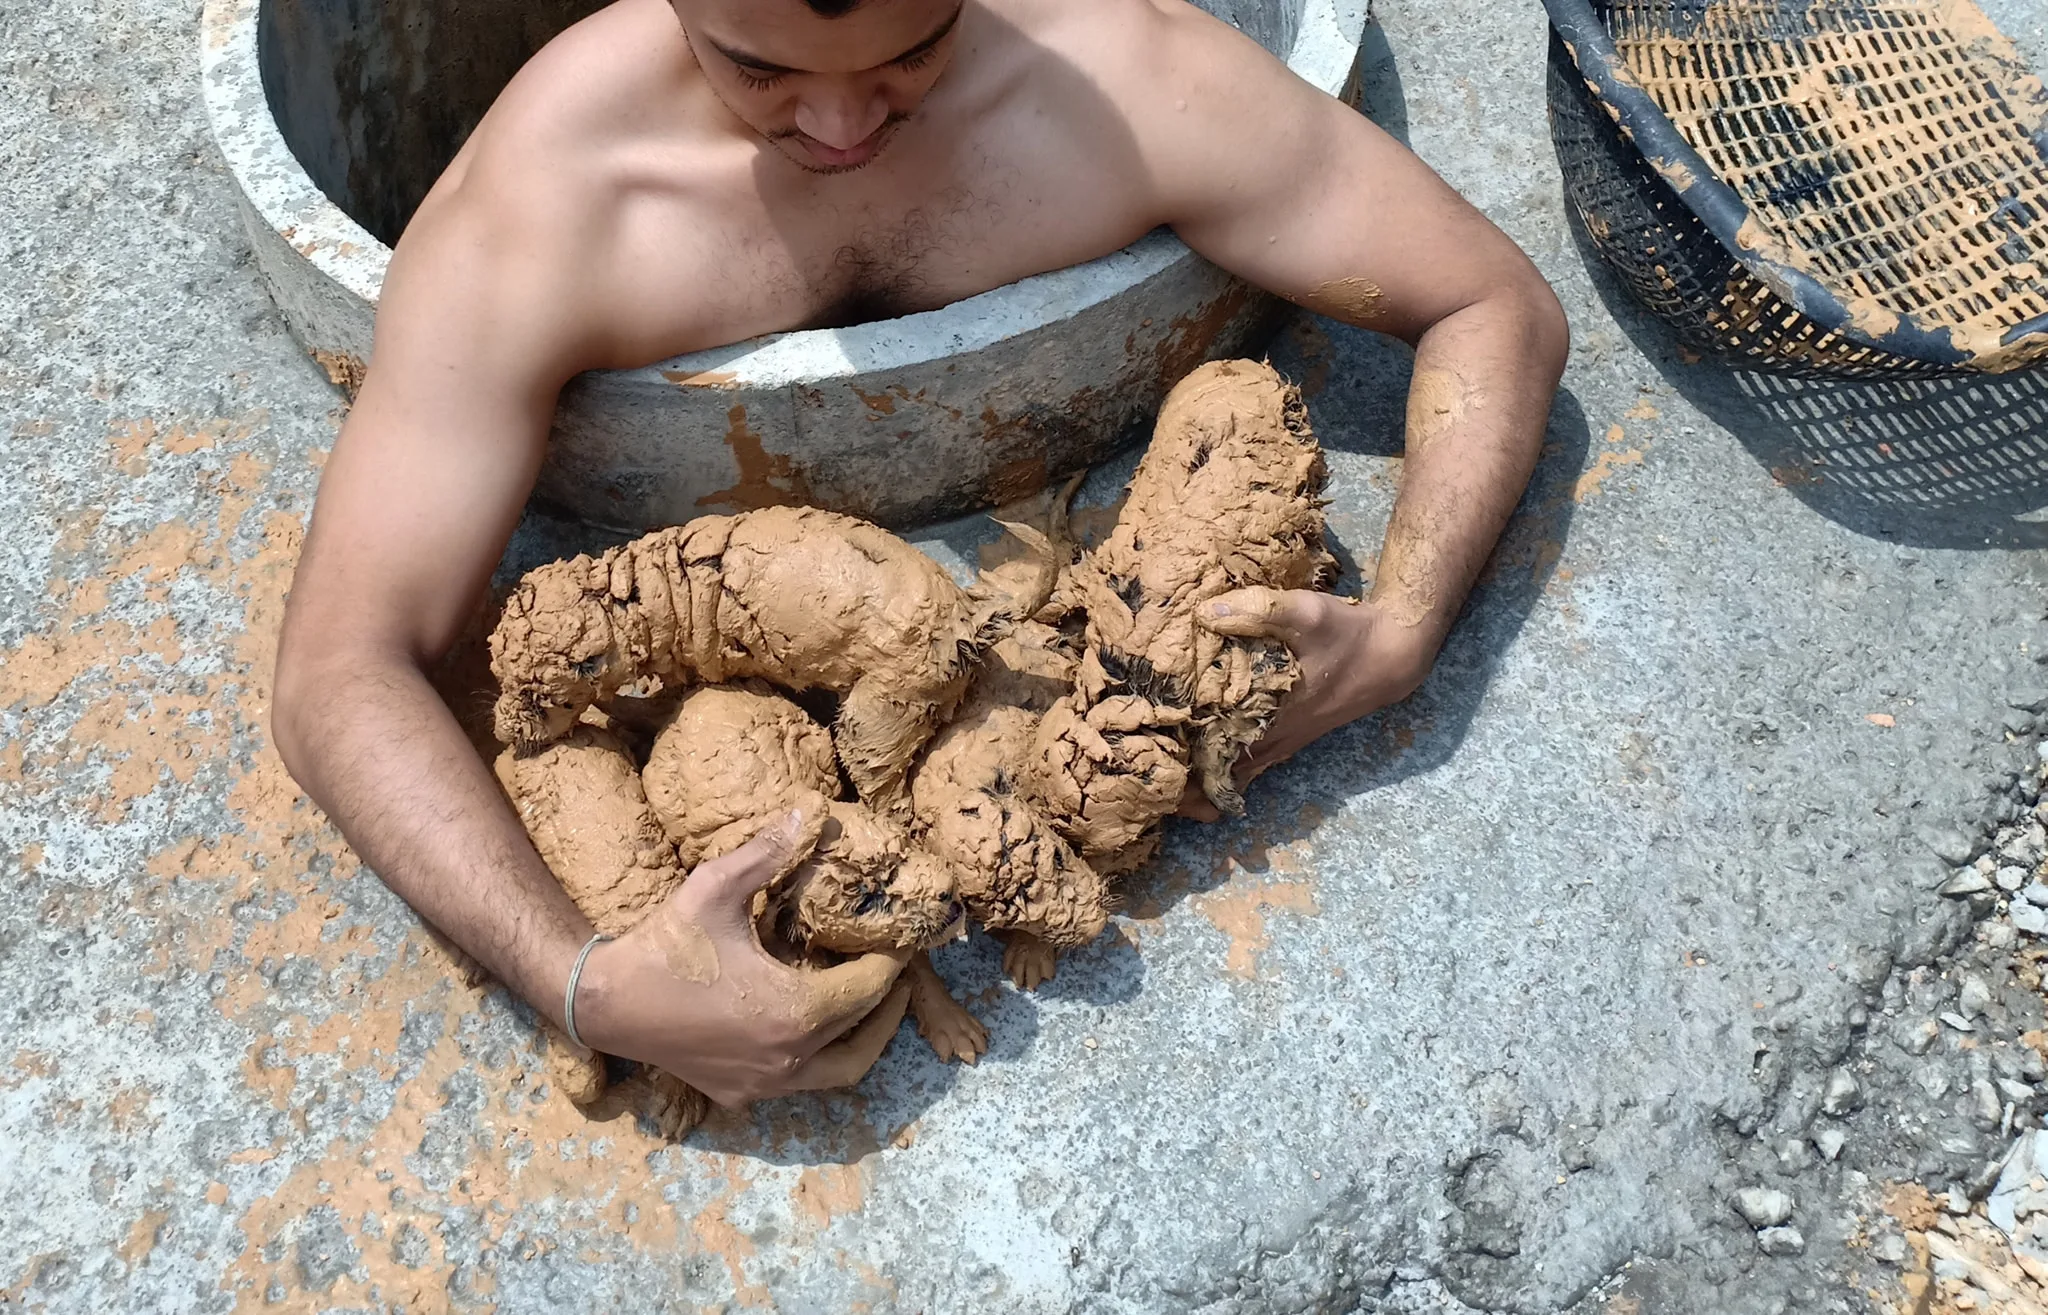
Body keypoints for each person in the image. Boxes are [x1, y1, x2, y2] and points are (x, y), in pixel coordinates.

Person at [271, 0, 1569, 1110]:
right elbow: (340, 667)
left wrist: (1404, 626)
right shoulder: (549, 209)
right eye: (759, 67)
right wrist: (590, 981)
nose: (841, 128)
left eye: (914, 48)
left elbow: (1489, 300)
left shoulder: (1124, 80)